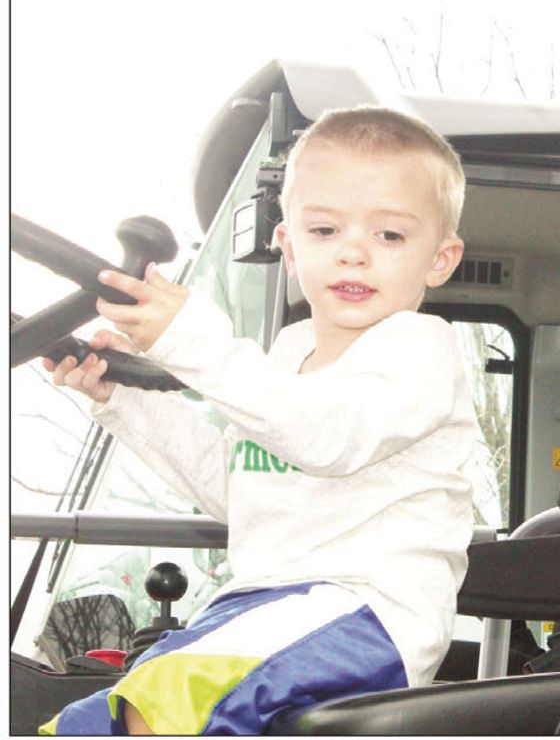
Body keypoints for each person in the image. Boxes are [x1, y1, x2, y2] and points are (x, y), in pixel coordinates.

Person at [40, 106, 477, 735]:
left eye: (389, 236)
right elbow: (234, 487)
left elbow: (327, 437)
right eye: (325, 230)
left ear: (440, 258)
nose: (353, 253)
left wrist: (192, 340)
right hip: (259, 604)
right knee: (84, 723)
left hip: (363, 610)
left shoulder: (417, 350)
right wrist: (120, 399)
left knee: (163, 704)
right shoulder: (289, 352)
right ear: (288, 246)